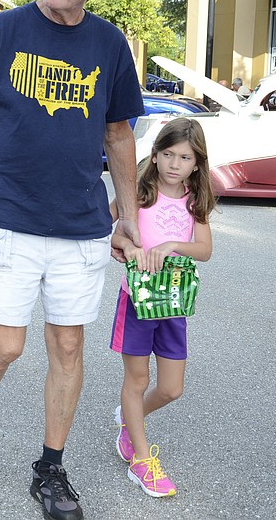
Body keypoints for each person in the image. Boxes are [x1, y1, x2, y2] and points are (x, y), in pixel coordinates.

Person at [0, 0, 143, 519]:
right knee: (4, 345)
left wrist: (128, 217)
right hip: (4, 218)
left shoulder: (109, 46)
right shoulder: (1, 32)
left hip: (80, 226)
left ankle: (50, 471)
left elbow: (119, 134)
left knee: (69, 347)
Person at [108, 117, 215, 498]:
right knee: (136, 381)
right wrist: (126, 245)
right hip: (136, 300)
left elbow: (204, 249)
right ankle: (141, 460)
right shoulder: (137, 192)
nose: (174, 164)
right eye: (167, 154)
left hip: (172, 302)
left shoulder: (195, 200)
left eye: (184, 157)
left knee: (171, 389)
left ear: (196, 164)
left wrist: (171, 246)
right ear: (154, 156)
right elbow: (112, 227)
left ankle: (127, 420)